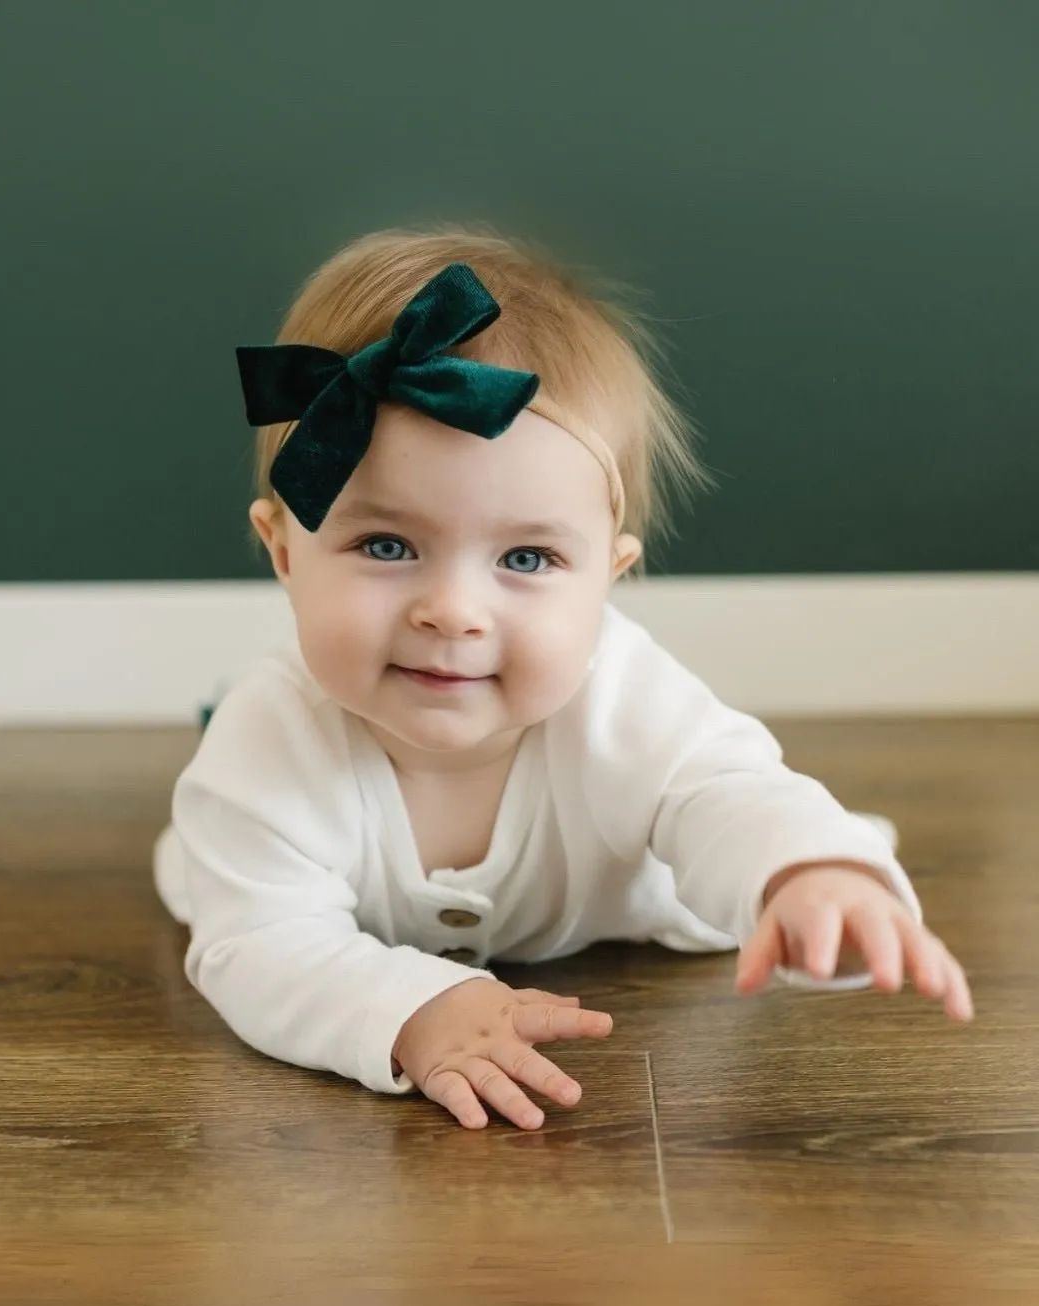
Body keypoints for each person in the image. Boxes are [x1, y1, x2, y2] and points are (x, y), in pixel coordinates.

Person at [152, 225, 973, 1132]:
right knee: (213, 874)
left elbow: (722, 788)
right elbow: (265, 948)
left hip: (623, 890)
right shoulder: (273, 741)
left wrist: (808, 872)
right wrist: (412, 1011)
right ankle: (211, 839)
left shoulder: (620, 694)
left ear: (606, 578)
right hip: (272, 843)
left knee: (766, 851)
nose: (454, 611)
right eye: (386, 546)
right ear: (282, 552)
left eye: (529, 558)